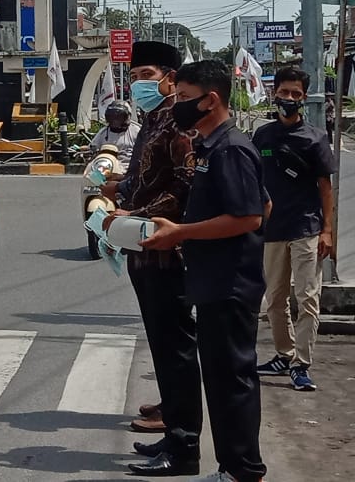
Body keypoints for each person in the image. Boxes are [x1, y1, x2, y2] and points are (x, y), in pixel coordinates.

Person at [141, 59, 269, 482]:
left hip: (230, 283)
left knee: (231, 382)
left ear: (211, 100)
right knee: (219, 379)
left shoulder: (229, 148)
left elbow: (250, 216)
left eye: (183, 99)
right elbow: (263, 204)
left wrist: (181, 233)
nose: (176, 106)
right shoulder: (214, 147)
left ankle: (242, 470)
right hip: (214, 280)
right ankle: (233, 466)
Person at [100, 42, 201, 477]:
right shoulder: (152, 121)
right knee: (161, 344)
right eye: (135, 74)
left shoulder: (178, 125)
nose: (138, 82)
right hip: (144, 245)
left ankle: (184, 449)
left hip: (167, 246)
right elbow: (146, 178)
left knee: (176, 346)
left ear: (169, 78)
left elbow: (183, 187)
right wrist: (119, 188)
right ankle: (173, 430)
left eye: (146, 74)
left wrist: (134, 213)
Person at [252, 65, 335, 392]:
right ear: (275, 94)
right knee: (274, 300)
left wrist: (327, 230)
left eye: (295, 94)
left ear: (303, 98)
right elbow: (254, 181)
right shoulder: (262, 136)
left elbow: (325, 187)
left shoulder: (315, 138)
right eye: (284, 92)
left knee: (308, 298)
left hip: (306, 228)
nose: (289, 98)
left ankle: (302, 364)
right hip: (272, 230)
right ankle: (284, 355)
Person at [90, 100, 141, 172]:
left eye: (119, 117)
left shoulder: (136, 130)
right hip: (108, 168)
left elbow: (145, 146)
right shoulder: (103, 132)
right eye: (112, 117)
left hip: (130, 170)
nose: (115, 120)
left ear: (127, 117)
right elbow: (93, 146)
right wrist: (86, 150)